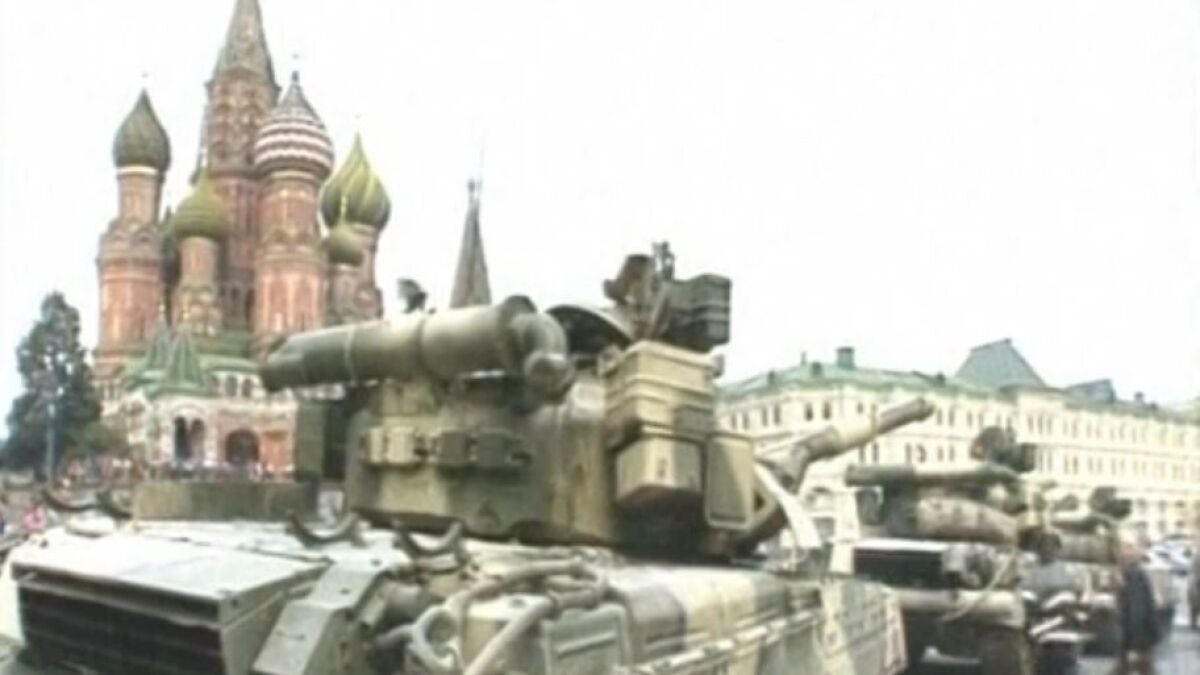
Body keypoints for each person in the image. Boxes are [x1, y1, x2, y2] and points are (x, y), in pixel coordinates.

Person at [1108, 535, 1159, 675]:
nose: (1119, 554)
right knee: (1138, 668)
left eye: (1126, 549)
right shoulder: (1129, 574)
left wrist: (1134, 645)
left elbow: (1137, 611)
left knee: (1138, 667)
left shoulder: (1135, 576)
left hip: (1136, 637)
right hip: (1134, 637)